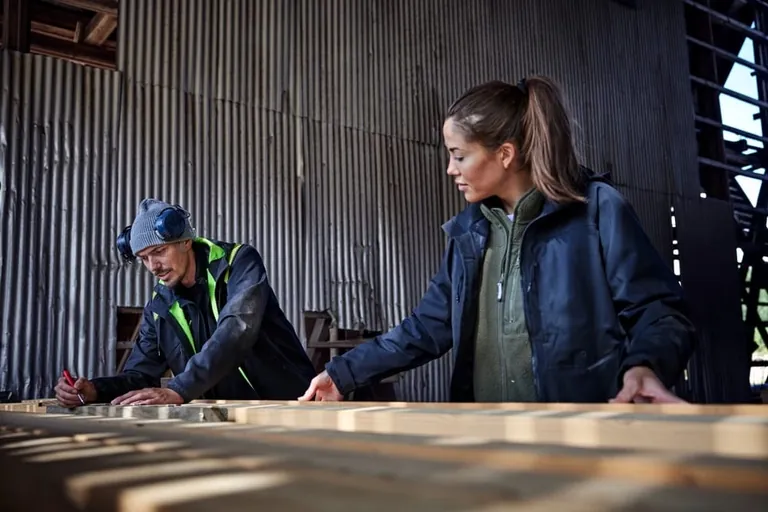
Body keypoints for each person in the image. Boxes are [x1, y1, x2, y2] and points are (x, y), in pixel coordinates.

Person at [299, 76, 697, 404]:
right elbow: (427, 327)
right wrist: (342, 373)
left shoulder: (597, 210)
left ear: (505, 154)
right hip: (491, 436)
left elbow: (659, 311)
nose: (450, 169)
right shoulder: (469, 232)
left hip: (582, 435)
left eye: (459, 155)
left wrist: (646, 366)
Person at [55, 199, 316, 407]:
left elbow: (237, 331)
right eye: (143, 258)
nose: (153, 266)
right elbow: (140, 375)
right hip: (232, 419)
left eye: (159, 251)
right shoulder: (159, 307)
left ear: (185, 241)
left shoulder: (238, 263)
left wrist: (180, 389)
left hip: (290, 406)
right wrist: (95, 389)